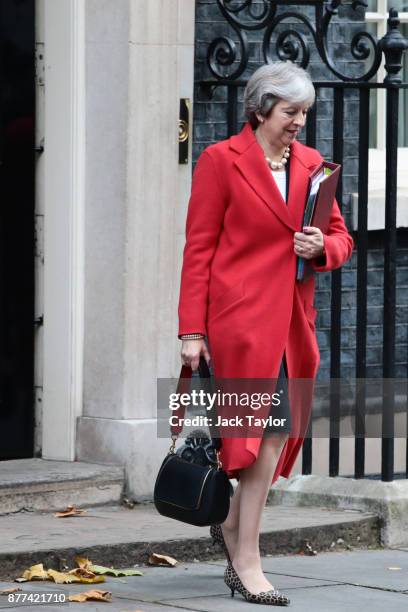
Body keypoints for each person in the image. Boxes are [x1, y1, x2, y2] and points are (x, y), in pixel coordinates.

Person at [177, 61, 353, 606]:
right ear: (260, 109)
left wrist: (320, 248)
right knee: (252, 436)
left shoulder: (315, 168)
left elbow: (342, 237)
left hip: (293, 325)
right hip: (239, 325)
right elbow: (199, 249)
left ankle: (234, 531)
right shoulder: (219, 161)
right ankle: (246, 558)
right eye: (290, 112)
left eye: (304, 112)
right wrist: (191, 329)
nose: (299, 122)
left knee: (272, 437)